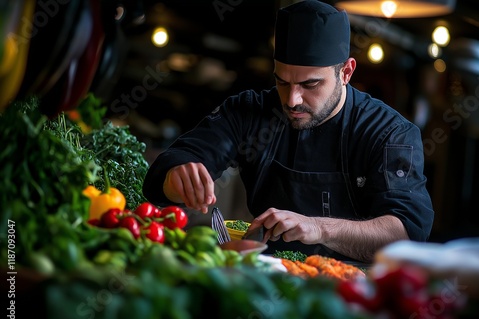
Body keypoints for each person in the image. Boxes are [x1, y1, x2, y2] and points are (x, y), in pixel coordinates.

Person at [143, 0, 434, 263]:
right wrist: (177, 177)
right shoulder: (251, 111)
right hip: (268, 274)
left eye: (310, 85)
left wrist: (319, 228)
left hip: (352, 288)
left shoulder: (388, 132)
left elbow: (405, 233)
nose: (292, 100)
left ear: (346, 73)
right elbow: (171, 167)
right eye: (282, 82)